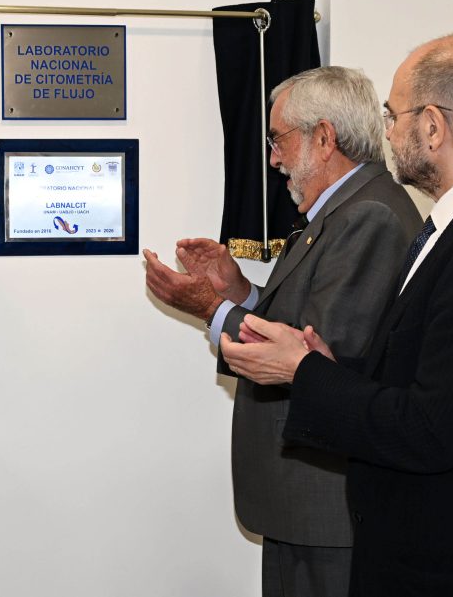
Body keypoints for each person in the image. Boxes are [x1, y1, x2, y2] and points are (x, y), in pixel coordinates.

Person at [221, 33, 453, 596]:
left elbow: (429, 430)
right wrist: (328, 363)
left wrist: (304, 373)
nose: (385, 131)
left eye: (393, 114)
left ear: (432, 126)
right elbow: (420, 378)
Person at [144, 66, 421, 596]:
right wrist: (237, 290)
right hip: (303, 507)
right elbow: (298, 325)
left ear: (324, 137)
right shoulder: (335, 213)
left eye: (278, 139)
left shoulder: (368, 216)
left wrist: (209, 308)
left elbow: (318, 361)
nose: (273, 158)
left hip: (328, 509)